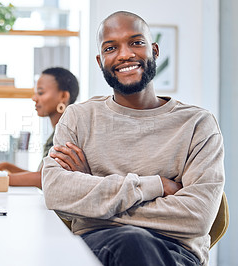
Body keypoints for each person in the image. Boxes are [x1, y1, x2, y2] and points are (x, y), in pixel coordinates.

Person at [42, 11, 224, 266]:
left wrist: (93, 195)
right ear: (100, 60)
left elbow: (197, 217)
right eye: (110, 47)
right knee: (130, 242)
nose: (125, 54)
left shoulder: (197, 124)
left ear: (155, 50)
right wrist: (156, 186)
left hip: (175, 252)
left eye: (136, 42)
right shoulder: (78, 117)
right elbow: (56, 192)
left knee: (134, 242)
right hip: (98, 246)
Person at [0, 67, 79, 189]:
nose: (34, 98)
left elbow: (45, 178)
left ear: (63, 96)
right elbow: (40, 175)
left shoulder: (68, 132)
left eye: (41, 93)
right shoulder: (57, 132)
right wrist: (5, 167)